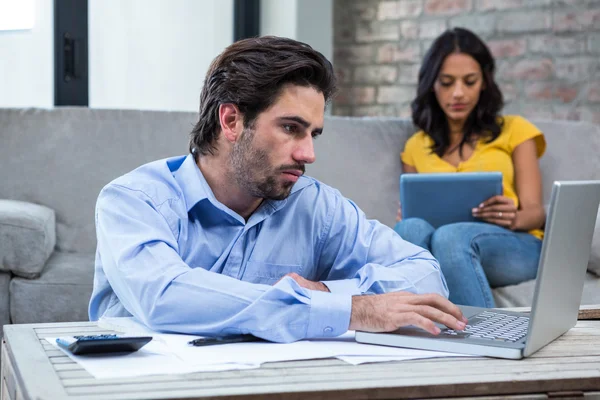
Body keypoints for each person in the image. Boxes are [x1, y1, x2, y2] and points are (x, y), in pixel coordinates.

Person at [89, 36, 467, 342]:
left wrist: (325, 292)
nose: (309, 154)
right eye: (290, 128)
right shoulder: (133, 201)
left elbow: (425, 273)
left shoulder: (314, 205)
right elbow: (165, 296)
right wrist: (353, 310)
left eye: (313, 134)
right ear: (232, 120)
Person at [394, 28, 547, 308]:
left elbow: (536, 213)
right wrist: (410, 211)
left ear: (485, 82)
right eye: (447, 82)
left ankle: (482, 341)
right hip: (442, 245)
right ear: (432, 84)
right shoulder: (416, 146)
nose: (459, 93)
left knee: (451, 238)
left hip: (514, 244)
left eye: (470, 81)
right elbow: (415, 218)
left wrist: (512, 217)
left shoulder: (515, 130)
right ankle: (413, 333)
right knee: (409, 229)